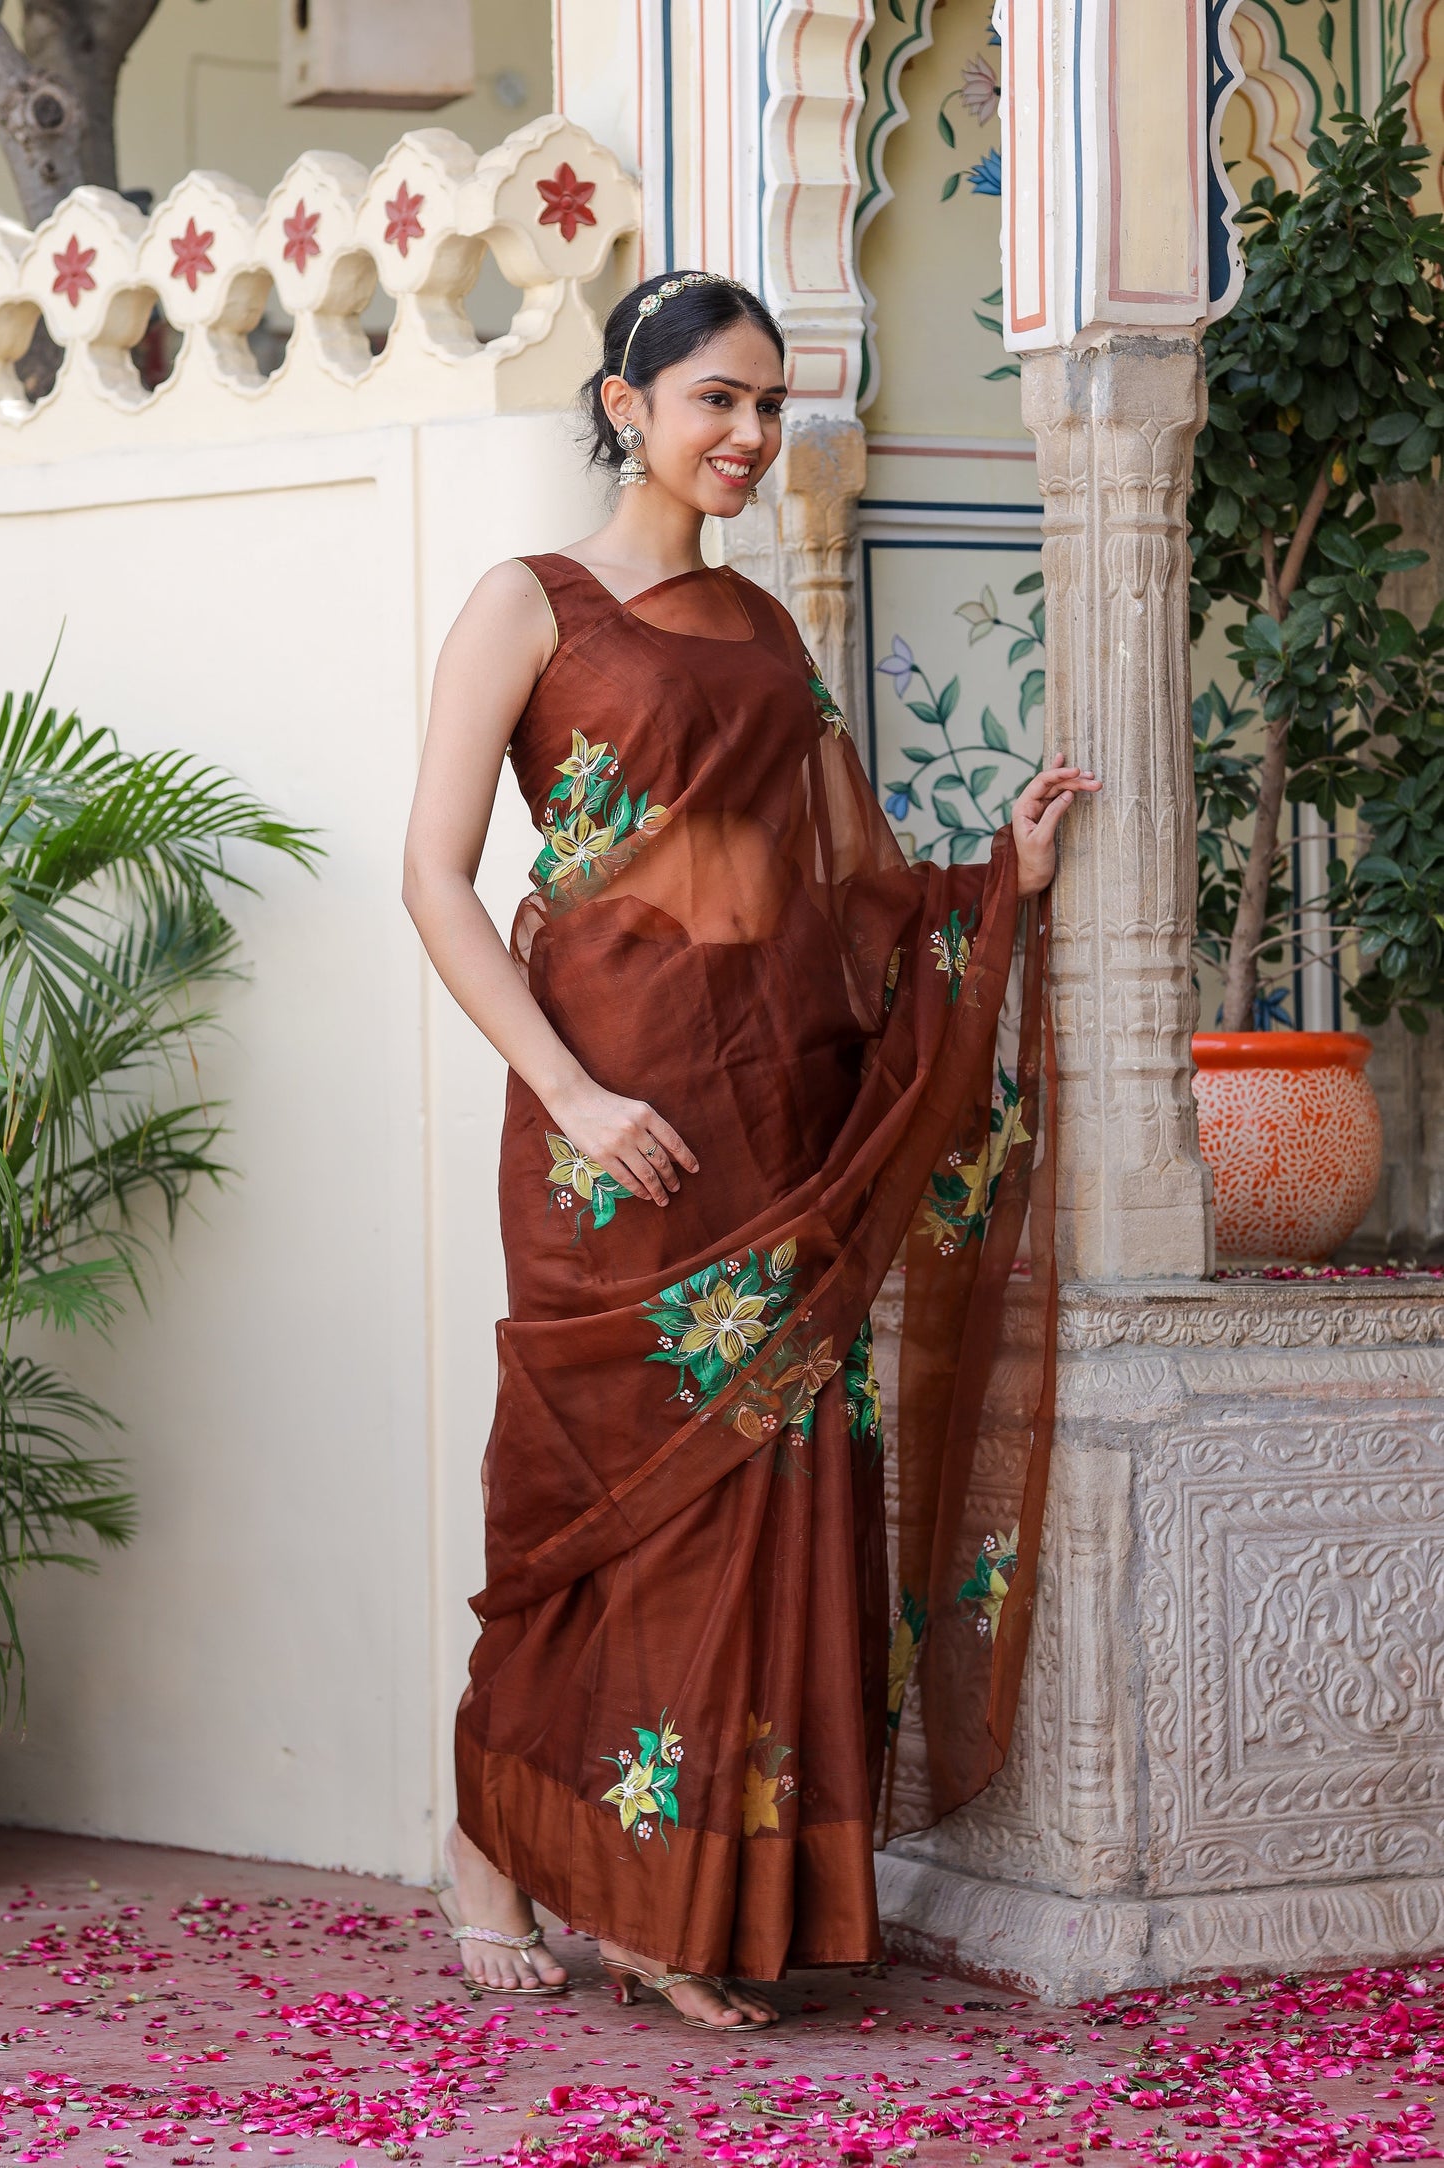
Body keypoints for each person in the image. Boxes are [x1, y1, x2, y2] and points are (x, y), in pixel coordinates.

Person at [402, 269, 1099, 2033]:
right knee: (592, 1499)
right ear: (625, 405)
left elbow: (847, 888)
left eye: (766, 404)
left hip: (773, 1113)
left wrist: (987, 888)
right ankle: (493, 1849)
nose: (745, 435)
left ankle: (671, 1900)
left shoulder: (772, 633)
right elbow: (431, 874)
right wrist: (565, 1091)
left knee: (750, 1509)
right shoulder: (529, 604)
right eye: (714, 398)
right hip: (609, 1125)